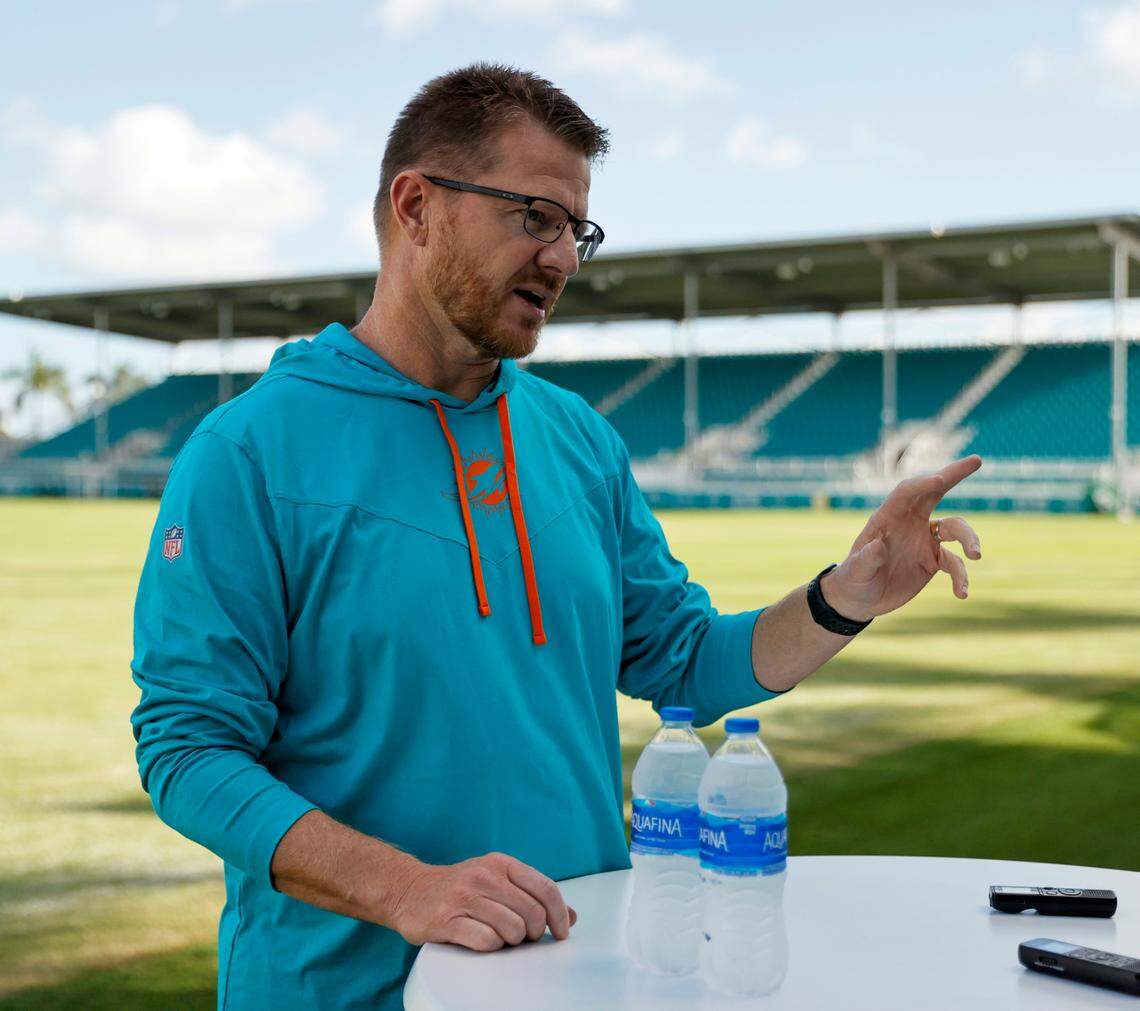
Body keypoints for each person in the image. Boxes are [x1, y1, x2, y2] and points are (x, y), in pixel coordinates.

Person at [131, 63, 983, 1009]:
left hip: (574, 976)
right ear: (416, 205)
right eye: (535, 216)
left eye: (577, 229)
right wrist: (409, 889)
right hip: (339, 991)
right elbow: (188, 750)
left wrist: (846, 593)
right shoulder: (250, 451)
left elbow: (688, 660)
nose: (565, 258)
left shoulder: (579, 439)